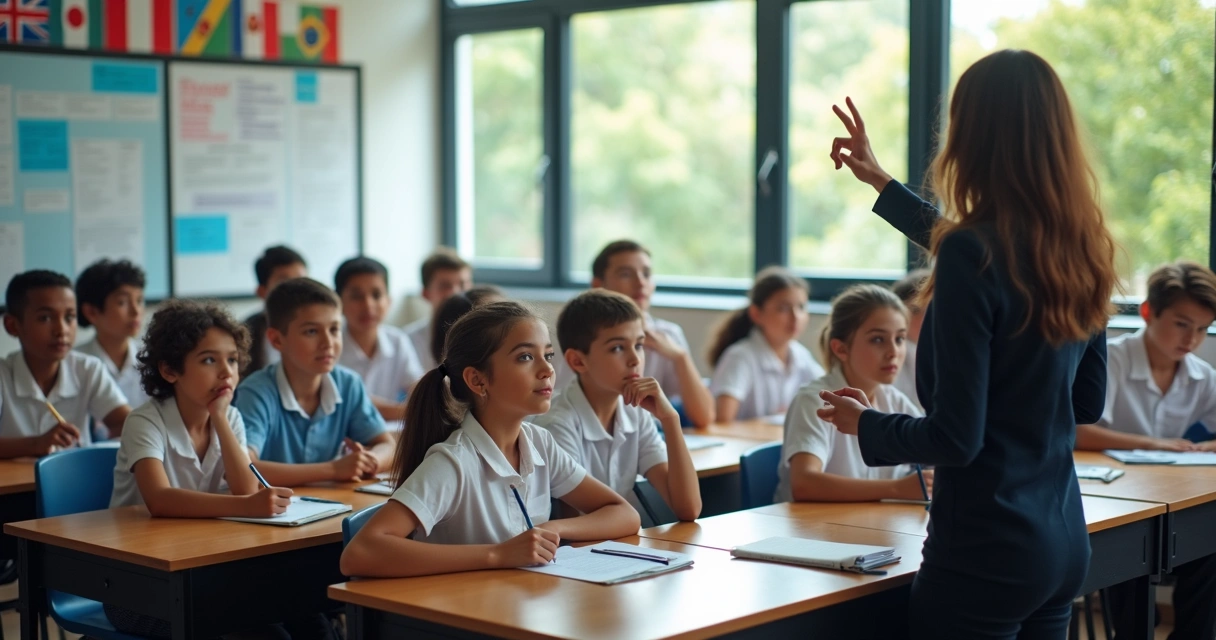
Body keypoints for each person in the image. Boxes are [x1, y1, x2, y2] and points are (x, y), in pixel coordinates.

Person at [818, 50, 1117, 638]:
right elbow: (1085, 407)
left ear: (972, 137)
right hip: (1061, 546)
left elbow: (955, 439)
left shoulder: (971, 254)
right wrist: (883, 183)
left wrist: (868, 424)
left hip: (986, 550)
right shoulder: (1084, 252)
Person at [340, 302, 640, 578]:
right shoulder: (454, 461)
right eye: (525, 357)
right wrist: (498, 554)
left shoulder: (539, 443)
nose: (547, 369)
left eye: (547, 355)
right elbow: (359, 554)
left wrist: (552, 529)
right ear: (477, 380)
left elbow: (624, 514)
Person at [775, 285, 925, 503]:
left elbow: (932, 457)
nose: (894, 352)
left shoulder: (895, 401)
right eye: (877, 339)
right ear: (841, 349)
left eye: (900, 339)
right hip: (810, 531)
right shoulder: (815, 400)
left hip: (870, 525)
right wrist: (896, 489)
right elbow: (805, 483)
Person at [708, 267, 823, 422]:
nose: (796, 317)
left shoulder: (800, 355)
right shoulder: (740, 356)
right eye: (783, 308)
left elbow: (829, 398)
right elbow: (723, 420)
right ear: (756, 314)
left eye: (801, 307)